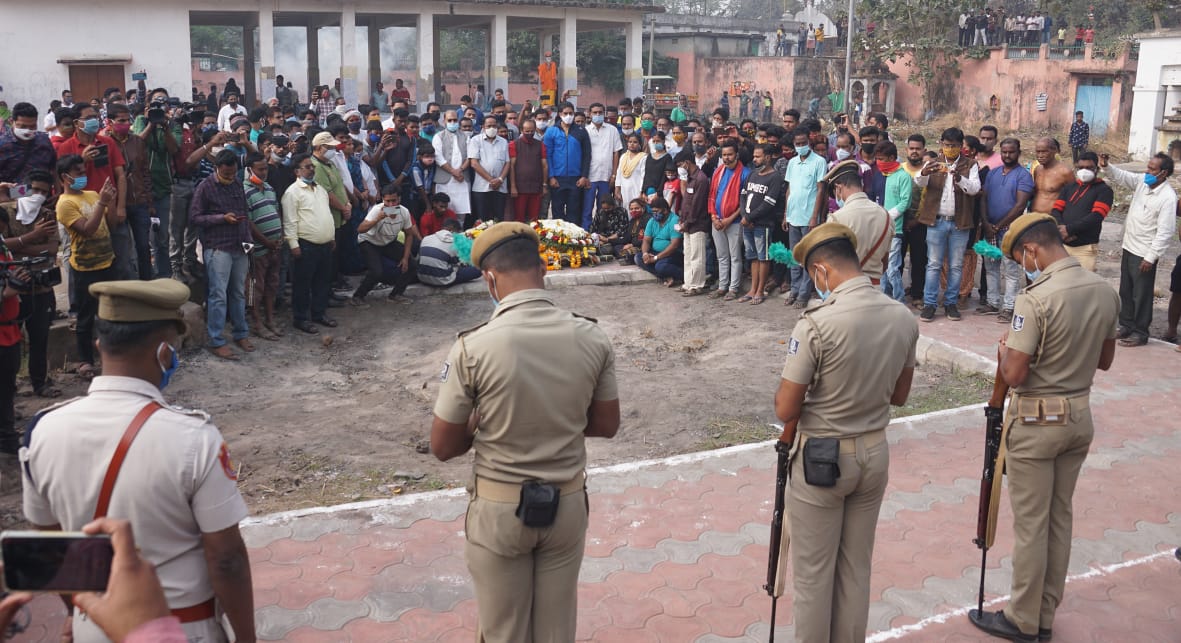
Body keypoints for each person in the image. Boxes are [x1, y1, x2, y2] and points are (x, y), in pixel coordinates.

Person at [21, 278, 255, 643]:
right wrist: (246, 638)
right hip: (181, 628)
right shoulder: (194, 438)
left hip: (94, 625)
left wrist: (76, 612)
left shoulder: (41, 431)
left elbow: (52, 546)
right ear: (164, 353)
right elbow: (227, 560)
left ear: (99, 346)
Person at [430, 221, 619, 643]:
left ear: (489, 279)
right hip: (566, 503)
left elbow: (443, 446)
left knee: (504, 631)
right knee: (556, 631)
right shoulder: (592, 335)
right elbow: (607, 425)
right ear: (543, 269)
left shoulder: (473, 347)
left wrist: (480, 422)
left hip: (500, 508)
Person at [968, 213, 1118, 643]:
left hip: (1036, 421)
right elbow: (1105, 361)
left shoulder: (1035, 299)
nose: (1024, 268)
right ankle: (1045, 611)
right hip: (1078, 415)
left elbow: (1015, 375)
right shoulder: (1103, 290)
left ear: (1032, 250)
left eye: (1021, 259)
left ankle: (1023, 619)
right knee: (1058, 519)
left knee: (1032, 525)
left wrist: (1004, 355)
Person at [774, 222, 918, 643]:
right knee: (856, 567)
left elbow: (786, 408)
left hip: (822, 458)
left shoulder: (817, 323)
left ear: (821, 270)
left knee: (814, 574)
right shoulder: (901, 316)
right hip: (873, 452)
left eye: (812, 276)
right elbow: (900, 396)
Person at [1099, 152, 1177, 347]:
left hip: (1145, 252)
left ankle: (1140, 332)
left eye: (1152, 169)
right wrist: (1106, 165)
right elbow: (1122, 176)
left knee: (1141, 294)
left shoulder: (1168, 197)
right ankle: (1126, 325)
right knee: (1126, 290)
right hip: (1129, 246)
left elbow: (1166, 232)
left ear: (1163, 173)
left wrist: (1151, 257)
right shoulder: (1142, 182)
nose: (1147, 171)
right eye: (1148, 167)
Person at [56, 154, 122, 379]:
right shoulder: (64, 204)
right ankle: (85, 360)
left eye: (84, 172)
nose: (83, 176)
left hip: (108, 261)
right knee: (85, 316)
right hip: (85, 267)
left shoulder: (93, 194)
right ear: (65, 177)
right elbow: (87, 230)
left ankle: (112, 356)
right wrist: (102, 203)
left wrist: (110, 203)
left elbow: (111, 225)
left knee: (111, 314)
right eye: (79, 173)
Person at [914, 128, 981, 322]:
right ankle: (930, 304)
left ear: (961, 146)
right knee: (933, 264)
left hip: (960, 223)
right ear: (941, 144)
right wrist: (924, 172)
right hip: (936, 221)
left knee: (956, 265)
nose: (950, 148)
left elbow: (975, 189)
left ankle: (951, 303)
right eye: (947, 145)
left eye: (954, 145)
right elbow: (919, 182)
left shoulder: (970, 164)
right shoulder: (933, 163)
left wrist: (959, 178)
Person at [191, 150, 253, 360]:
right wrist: (221, 218)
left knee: (239, 292)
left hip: (239, 245)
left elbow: (244, 213)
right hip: (218, 247)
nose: (230, 176)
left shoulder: (237, 184)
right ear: (217, 168)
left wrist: (248, 243)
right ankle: (216, 340)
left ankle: (240, 333)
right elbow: (195, 217)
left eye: (233, 173)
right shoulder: (205, 187)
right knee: (218, 295)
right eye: (226, 173)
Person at [979, 138, 1035, 321]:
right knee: (990, 266)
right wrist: (986, 223)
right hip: (989, 229)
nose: (1007, 155)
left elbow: (1020, 206)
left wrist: (997, 226)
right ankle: (993, 303)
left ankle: (1009, 307)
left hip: (1010, 231)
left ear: (1018, 153)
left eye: (1011, 152)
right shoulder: (993, 173)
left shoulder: (1023, 176)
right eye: (1004, 152)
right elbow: (983, 198)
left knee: (1010, 269)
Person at [281, 153, 337, 334]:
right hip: (306, 244)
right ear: (297, 171)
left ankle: (319, 313)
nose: (312, 169)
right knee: (302, 284)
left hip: (325, 243)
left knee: (322, 281)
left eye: (312, 166)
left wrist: (332, 236)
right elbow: (290, 221)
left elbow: (326, 214)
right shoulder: (292, 192)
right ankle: (301, 318)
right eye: (307, 167)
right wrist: (293, 245)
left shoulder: (320, 189)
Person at [350, 185, 419, 305]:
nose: (391, 205)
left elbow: (409, 234)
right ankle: (358, 296)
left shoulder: (404, 212)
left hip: (388, 241)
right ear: (383, 200)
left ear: (399, 199)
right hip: (369, 242)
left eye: (394, 201)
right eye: (387, 201)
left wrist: (405, 258)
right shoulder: (377, 210)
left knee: (411, 264)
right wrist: (377, 219)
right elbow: (360, 229)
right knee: (376, 272)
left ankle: (396, 295)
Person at [783, 128, 828, 307]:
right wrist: (786, 214)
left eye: (803, 143)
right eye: (797, 144)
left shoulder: (819, 162)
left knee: (808, 257)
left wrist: (815, 217)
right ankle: (794, 290)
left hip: (809, 217)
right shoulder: (792, 163)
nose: (801, 146)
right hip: (793, 216)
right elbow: (789, 189)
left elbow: (821, 190)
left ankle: (803, 294)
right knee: (794, 256)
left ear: (809, 142)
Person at [242, 153, 284, 340]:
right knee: (254, 286)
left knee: (271, 284)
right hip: (256, 248)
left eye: (265, 168)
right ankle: (256, 322)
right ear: (249, 169)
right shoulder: (244, 191)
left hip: (274, 246)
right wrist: (266, 241)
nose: (264, 172)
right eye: (260, 169)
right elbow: (248, 223)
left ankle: (269, 319)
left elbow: (276, 211)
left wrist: (279, 236)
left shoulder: (269, 188)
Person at [1049, 152, 1111, 273]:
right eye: (1081, 167)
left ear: (1097, 169)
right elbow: (1056, 210)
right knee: (1061, 279)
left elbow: (1096, 216)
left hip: (1085, 249)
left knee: (1083, 283)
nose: (1084, 171)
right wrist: (1062, 229)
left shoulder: (1104, 190)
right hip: (1063, 246)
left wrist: (1069, 230)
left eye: (1089, 168)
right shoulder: (1069, 187)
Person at [738, 144, 785, 304]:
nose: (754, 159)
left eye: (758, 156)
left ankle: (760, 291)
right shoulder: (752, 174)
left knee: (763, 257)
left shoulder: (775, 177)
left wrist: (750, 218)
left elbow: (768, 203)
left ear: (768, 157)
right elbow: (743, 195)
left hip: (763, 224)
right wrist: (745, 216)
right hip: (748, 224)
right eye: (754, 156)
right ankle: (752, 289)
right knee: (753, 258)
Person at [707, 141, 749, 300]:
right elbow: (712, 196)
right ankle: (722, 287)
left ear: (736, 155)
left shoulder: (745, 173)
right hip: (717, 221)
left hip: (735, 222)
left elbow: (744, 202)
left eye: (730, 154)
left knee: (735, 256)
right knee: (722, 256)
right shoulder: (718, 171)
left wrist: (729, 220)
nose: (726, 158)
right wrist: (714, 217)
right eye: (724, 155)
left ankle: (733, 288)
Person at [543, 102, 591, 224]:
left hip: (576, 179)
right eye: (565, 113)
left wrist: (584, 176)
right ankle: (558, 235)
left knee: (574, 212)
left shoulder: (581, 131)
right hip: (557, 179)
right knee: (557, 212)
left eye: (571, 113)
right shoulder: (551, 131)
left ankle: (573, 235)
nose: (568, 116)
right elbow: (547, 155)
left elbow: (587, 155)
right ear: (560, 114)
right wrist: (551, 177)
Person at [676, 150, 711, 296]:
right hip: (687, 223)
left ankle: (697, 285)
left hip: (697, 223)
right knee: (688, 255)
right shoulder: (691, 178)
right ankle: (688, 283)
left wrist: (687, 222)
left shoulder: (701, 179)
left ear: (687, 162)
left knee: (697, 256)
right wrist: (682, 220)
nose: (680, 168)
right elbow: (687, 202)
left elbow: (697, 205)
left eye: (680, 165)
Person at [584, 103, 622, 231]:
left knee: (604, 209)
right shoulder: (585, 131)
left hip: (606, 176)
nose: (598, 115)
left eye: (600, 112)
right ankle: (586, 233)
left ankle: (601, 234)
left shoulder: (612, 130)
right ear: (590, 114)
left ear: (604, 114)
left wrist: (614, 175)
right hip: (590, 176)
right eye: (595, 112)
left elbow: (616, 153)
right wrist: (584, 176)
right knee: (587, 208)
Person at [433, 110, 473, 225]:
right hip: (444, 180)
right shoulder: (438, 136)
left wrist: (460, 170)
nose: (452, 122)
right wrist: (453, 171)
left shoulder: (466, 137)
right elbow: (438, 157)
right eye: (449, 120)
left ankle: (459, 233)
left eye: (455, 120)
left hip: (462, 179)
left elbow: (470, 156)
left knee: (461, 213)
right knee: (444, 211)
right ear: (444, 121)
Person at [469, 115, 510, 223]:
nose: (492, 128)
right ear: (483, 127)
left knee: (499, 219)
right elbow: (474, 163)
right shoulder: (475, 140)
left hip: (500, 187)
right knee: (483, 221)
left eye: (494, 126)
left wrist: (500, 179)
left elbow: (507, 163)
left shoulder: (503, 142)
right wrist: (491, 180)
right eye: (489, 126)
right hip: (482, 188)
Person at [635, 197, 684, 286]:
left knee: (661, 266)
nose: (654, 214)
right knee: (638, 257)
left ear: (665, 210)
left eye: (656, 211)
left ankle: (682, 276)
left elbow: (675, 245)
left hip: (673, 253)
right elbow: (646, 240)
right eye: (652, 212)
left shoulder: (675, 220)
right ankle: (666, 277)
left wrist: (656, 258)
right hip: (656, 252)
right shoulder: (652, 221)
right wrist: (645, 254)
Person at [418, 218, 481, 287]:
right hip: (441, 279)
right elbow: (463, 263)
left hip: (422, 277)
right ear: (452, 229)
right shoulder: (453, 241)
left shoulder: (426, 238)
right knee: (479, 268)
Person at [508, 118, 547, 222]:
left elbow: (544, 166)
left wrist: (544, 185)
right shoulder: (514, 144)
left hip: (536, 187)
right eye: (527, 131)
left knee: (534, 219)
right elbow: (511, 166)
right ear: (521, 130)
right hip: (520, 187)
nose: (529, 133)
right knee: (519, 218)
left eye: (532, 131)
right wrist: (513, 186)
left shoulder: (540, 145)